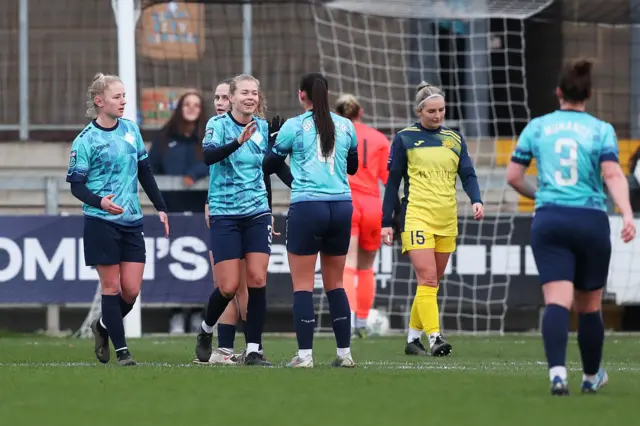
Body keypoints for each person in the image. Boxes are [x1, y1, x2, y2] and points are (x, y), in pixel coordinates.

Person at [506, 58, 636, 395]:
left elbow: (513, 177)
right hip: (589, 219)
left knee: (556, 301)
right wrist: (625, 213)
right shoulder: (600, 129)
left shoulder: (537, 127)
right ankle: (591, 378)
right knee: (590, 306)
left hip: (550, 219)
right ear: (588, 94)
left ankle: (557, 375)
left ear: (558, 92)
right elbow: (611, 174)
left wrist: (541, 197)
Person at [67, 73, 169, 366]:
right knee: (110, 288)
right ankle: (123, 352)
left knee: (132, 290)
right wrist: (100, 202)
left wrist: (160, 207)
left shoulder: (131, 131)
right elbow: (76, 185)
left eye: (124, 96)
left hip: (132, 221)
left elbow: (145, 172)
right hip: (101, 220)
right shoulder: (85, 140)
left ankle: (101, 327)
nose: (123, 102)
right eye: (117, 97)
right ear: (99, 102)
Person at [380, 81, 484, 358]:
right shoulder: (404, 139)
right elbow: (392, 184)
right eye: (432, 111)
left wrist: (476, 199)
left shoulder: (455, 138)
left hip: (447, 217)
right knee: (427, 278)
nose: (437, 116)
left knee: (431, 281)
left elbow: (468, 174)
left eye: (442, 110)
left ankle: (413, 340)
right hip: (416, 216)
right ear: (419, 111)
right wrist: (385, 221)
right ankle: (435, 337)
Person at [195, 74, 291, 367]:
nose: (250, 97)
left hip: (257, 212)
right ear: (233, 97)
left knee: (258, 279)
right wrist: (238, 141)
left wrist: (299, 183)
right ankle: (205, 331)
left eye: (254, 93)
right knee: (227, 285)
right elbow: (209, 157)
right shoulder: (217, 125)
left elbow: (270, 169)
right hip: (225, 213)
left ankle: (253, 349)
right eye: (245, 92)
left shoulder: (262, 128)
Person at [263, 72, 359, 368]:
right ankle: (345, 354)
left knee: (303, 285)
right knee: (336, 284)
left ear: (300, 94)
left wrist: (273, 140)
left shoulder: (294, 126)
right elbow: (353, 167)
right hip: (341, 206)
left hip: (308, 207)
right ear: (327, 95)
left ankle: (305, 355)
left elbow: (268, 165)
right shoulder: (345, 125)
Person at [334, 94, 390, 338]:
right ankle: (362, 322)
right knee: (367, 267)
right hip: (372, 205)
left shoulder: (333, 134)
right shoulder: (378, 138)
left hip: (345, 200)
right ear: (361, 112)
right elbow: (389, 179)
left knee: (347, 264)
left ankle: (347, 318)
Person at [148, 91, 209, 214]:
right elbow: (151, 167)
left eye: (196, 105)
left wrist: (194, 174)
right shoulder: (164, 137)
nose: (191, 108)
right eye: (187, 104)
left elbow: (215, 161)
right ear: (180, 108)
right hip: (171, 209)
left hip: (201, 209)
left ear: (201, 110)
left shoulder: (209, 137)